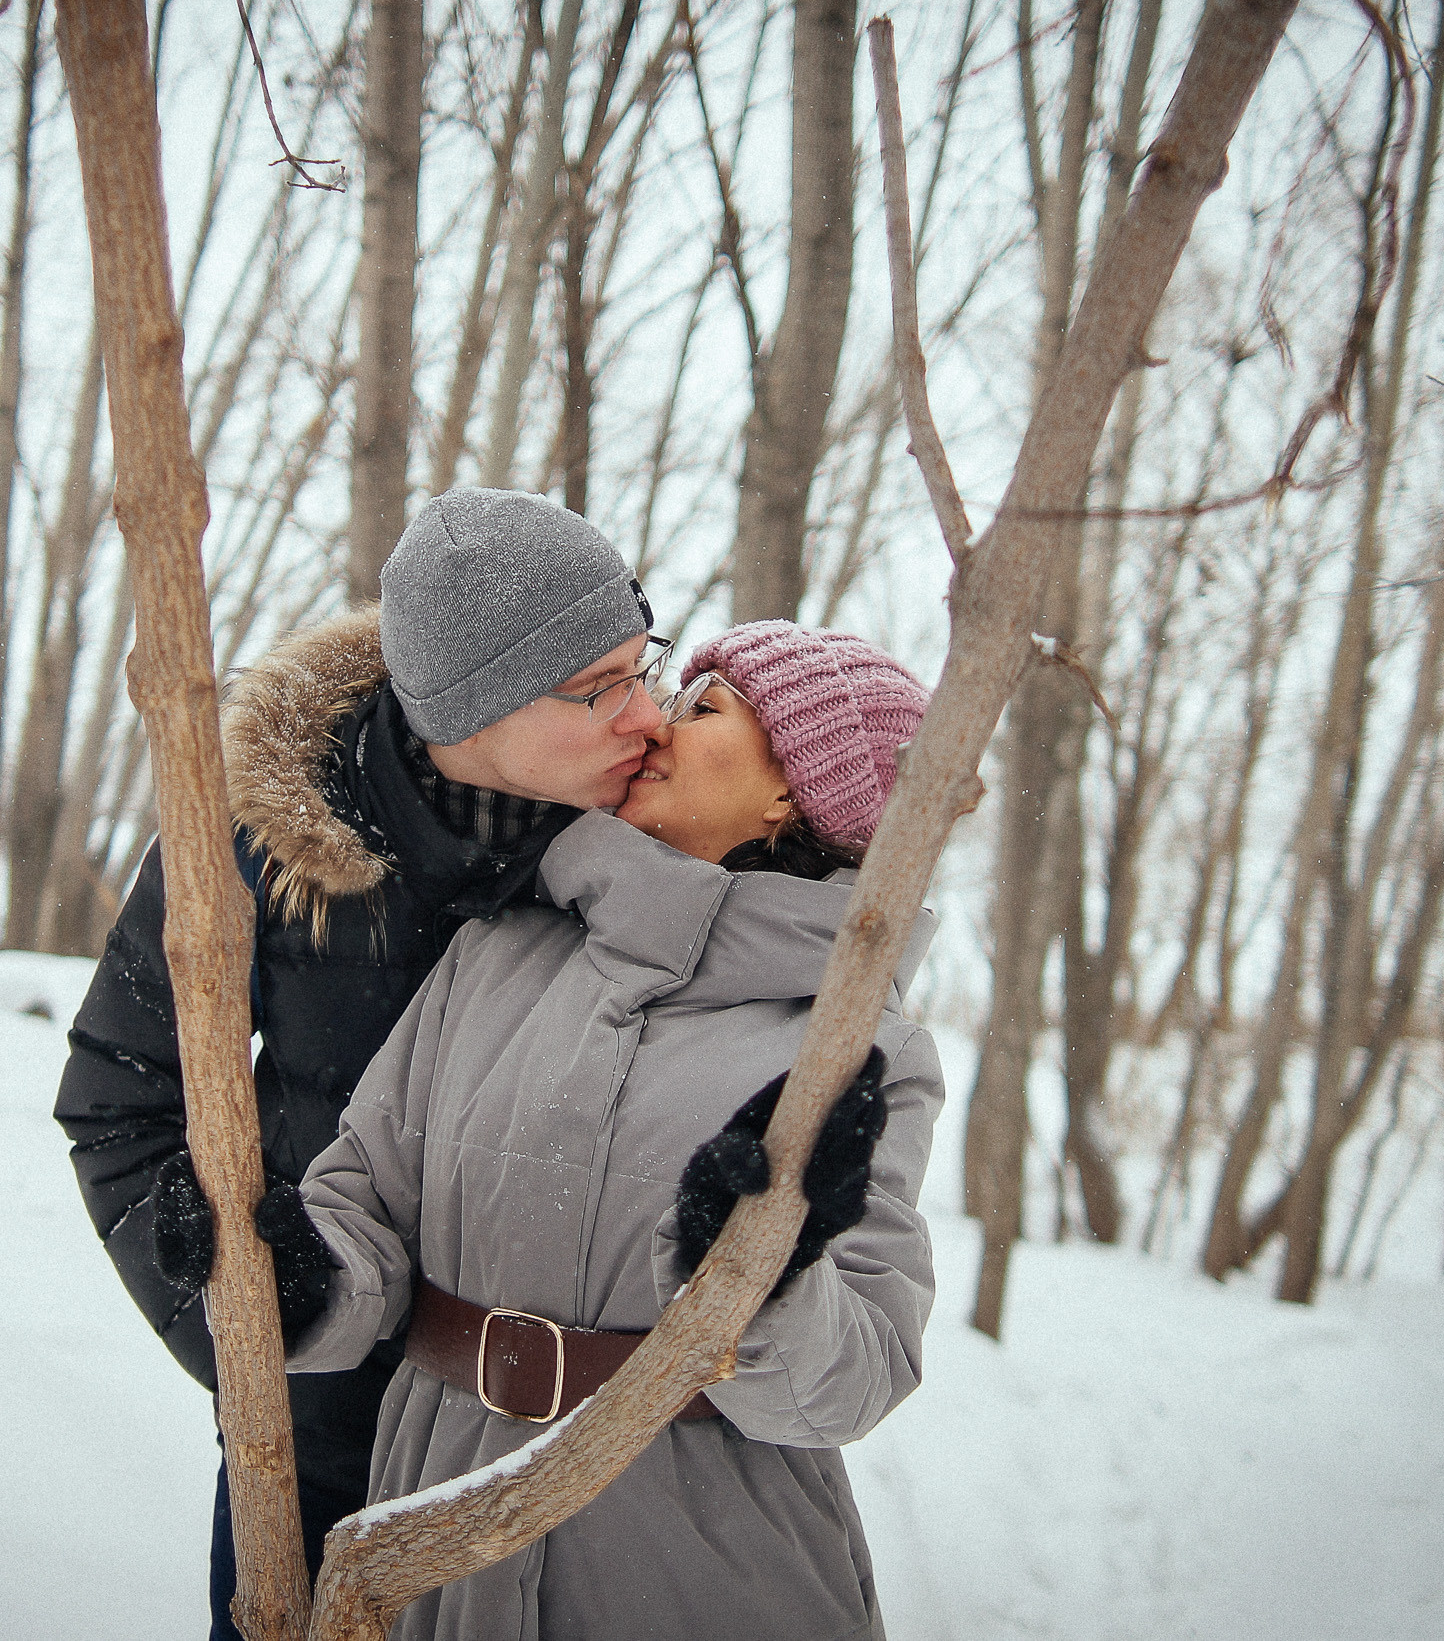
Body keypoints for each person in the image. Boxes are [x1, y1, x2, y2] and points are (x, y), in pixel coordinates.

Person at [163, 620, 942, 1640]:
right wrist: (294, 1273)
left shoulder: (857, 1047)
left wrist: (763, 1279)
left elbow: (857, 1376)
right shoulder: (496, 951)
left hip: (703, 1558)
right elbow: (365, 1206)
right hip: (430, 1522)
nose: (656, 724)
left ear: (791, 790)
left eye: (701, 709)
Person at [54, 488, 669, 1641]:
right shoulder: (260, 840)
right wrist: (251, 1349)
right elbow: (118, 1100)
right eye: (600, 688)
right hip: (315, 1450)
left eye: (649, 663)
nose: (649, 714)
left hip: (549, 1453)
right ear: (470, 710)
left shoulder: (649, 841)